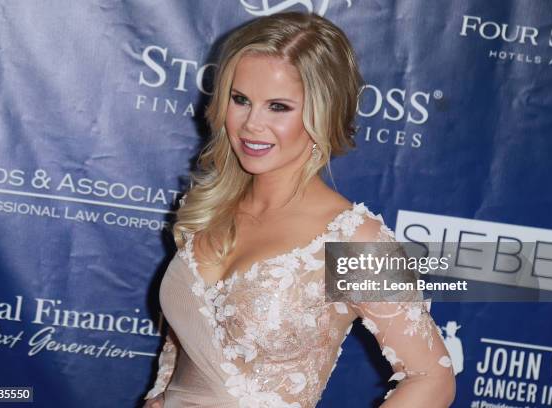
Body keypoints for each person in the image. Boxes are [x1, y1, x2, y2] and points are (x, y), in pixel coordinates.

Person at [142, 11, 456, 408]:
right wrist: (158, 395)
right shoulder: (209, 207)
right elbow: (183, 345)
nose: (251, 124)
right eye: (240, 100)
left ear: (322, 113)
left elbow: (431, 378)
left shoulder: (355, 239)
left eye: (278, 107)